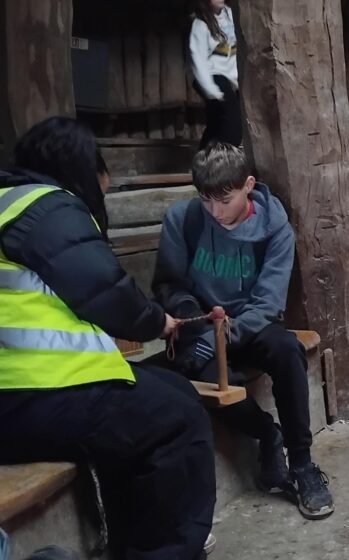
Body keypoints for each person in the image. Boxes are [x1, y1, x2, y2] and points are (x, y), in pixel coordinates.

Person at [0, 117, 215, 560]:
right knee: (176, 416)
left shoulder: (8, 202)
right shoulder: (45, 206)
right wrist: (158, 323)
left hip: (25, 391)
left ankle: (129, 544)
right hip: (29, 394)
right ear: (81, 166)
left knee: (162, 396)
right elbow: (105, 291)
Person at [150, 142, 334, 519]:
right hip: (199, 328)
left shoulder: (275, 230)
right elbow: (169, 285)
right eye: (205, 200)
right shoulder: (181, 219)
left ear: (248, 184)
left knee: (286, 350)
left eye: (225, 199)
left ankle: (301, 463)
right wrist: (193, 323)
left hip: (251, 326)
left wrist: (223, 338)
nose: (215, 211)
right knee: (198, 381)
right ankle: (268, 433)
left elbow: (268, 303)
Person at [190, 0, 242, 148]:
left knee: (215, 124)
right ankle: (223, 162)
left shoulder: (230, 14)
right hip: (214, 78)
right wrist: (212, 90)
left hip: (231, 79)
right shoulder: (200, 25)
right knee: (232, 125)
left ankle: (202, 163)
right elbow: (198, 60)